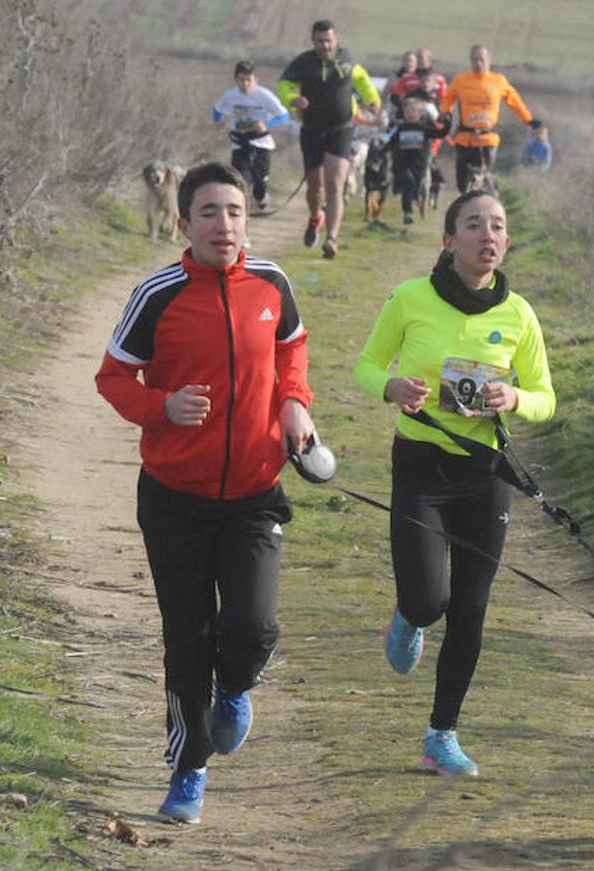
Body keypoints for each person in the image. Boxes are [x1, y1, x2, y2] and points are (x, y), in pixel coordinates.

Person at [95, 162, 316, 823]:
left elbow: (292, 353)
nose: (225, 225)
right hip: (175, 499)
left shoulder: (272, 284)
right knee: (186, 640)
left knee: (253, 629)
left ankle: (236, 688)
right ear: (184, 221)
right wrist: (163, 407)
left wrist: (295, 406)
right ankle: (188, 771)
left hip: (255, 492)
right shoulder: (157, 295)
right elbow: (113, 379)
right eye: (211, 213)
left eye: (236, 212)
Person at [354, 190, 556, 777]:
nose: (487, 236)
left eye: (497, 226)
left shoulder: (518, 314)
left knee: (471, 608)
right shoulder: (410, 299)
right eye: (474, 225)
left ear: (506, 243)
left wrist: (515, 396)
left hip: (482, 474)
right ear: (449, 241)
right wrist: (390, 388)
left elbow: (546, 397)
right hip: (420, 465)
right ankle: (409, 614)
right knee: (429, 600)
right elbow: (366, 365)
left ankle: (441, 735)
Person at [277, 19, 381, 259]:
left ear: (336, 40)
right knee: (315, 186)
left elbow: (364, 83)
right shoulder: (303, 63)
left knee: (335, 184)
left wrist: (373, 100)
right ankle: (315, 217)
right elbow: (284, 85)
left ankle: (332, 238)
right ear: (313, 41)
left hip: (341, 129)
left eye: (329, 40)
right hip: (312, 130)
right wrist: (292, 99)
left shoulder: (348, 60)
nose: (325, 45)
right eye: (320, 41)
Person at [441, 45, 540, 192]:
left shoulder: (498, 81)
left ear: (489, 60)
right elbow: (448, 98)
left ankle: (488, 197)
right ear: (470, 61)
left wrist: (528, 120)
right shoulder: (461, 81)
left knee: (482, 176)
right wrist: (445, 114)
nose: (478, 63)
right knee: (462, 183)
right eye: (475, 60)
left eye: (481, 59)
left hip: (488, 138)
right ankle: (466, 205)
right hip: (465, 138)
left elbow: (514, 101)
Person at [213, 60, 291, 211]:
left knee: (259, 186)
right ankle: (241, 214)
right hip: (240, 143)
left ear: (256, 79)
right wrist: (219, 121)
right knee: (240, 181)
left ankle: (262, 198)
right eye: (241, 79)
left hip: (261, 143)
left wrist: (266, 125)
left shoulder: (265, 96)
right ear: (236, 80)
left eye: (249, 79)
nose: (245, 84)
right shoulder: (230, 96)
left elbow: (284, 116)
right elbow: (217, 109)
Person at [388, 98, 448, 224]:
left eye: (414, 111)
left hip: (420, 165)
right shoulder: (400, 128)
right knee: (407, 182)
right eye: (408, 111)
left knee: (415, 187)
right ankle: (407, 212)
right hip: (403, 164)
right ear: (404, 113)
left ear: (420, 114)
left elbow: (441, 133)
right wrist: (380, 150)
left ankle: (415, 203)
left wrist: (447, 121)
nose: (411, 114)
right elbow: (389, 141)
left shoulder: (424, 128)